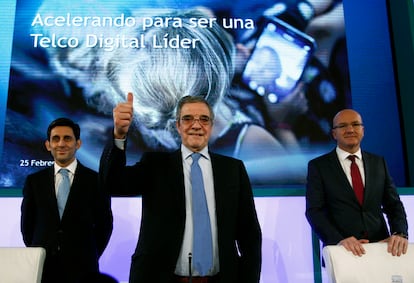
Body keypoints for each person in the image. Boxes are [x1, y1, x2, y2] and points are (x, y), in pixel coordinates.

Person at [99, 94, 262, 283]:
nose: (196, 125)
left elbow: (249, 234)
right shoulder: (155, 165)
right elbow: (111, 184)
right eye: (187, 119)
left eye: (203, 119)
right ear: (178, 126)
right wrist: (119, 135)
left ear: (210, 125)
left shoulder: (233, 169)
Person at [305, 109, 409, 258]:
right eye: (343, 126)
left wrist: (400, 233)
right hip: (342, 252)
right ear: (334, 133)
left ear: (363, 130)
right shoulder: (319, 166)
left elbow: (394, 205)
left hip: (382, 250)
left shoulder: (379, 163)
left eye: (355, 124)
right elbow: (314, 211)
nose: (350, 130)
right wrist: (339, 240)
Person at [21, 117, 113, 283]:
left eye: (67, 138)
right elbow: (27, 225)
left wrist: (89, 253)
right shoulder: (34, 181)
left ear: (78, 144)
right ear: (48, 145)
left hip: (83, 270)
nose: (61, 144)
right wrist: (40, 252)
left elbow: (104, 225)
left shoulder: (96, 181)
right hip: (43, 268)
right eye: (55, 139)